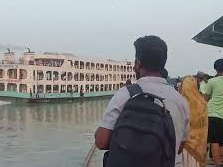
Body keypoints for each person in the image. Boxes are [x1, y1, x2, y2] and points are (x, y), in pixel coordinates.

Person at [94, 35, 190, 166]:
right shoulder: (181, 101)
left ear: (138, 64)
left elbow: (101, 141)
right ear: (163, 63)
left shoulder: (125, 94)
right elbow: (178, 148)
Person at [180, 76, 208, 167]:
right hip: (199, 144)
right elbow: (204, 125)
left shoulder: (181, 102)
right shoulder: (202, 103)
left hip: (184, 144)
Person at [204, 59, 223, 166]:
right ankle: (220, 160)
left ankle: (217, 162)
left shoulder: (212, 81)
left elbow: (205, 98)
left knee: (215, 140)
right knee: (222, 141)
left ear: (216, 69)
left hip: (213, 114)